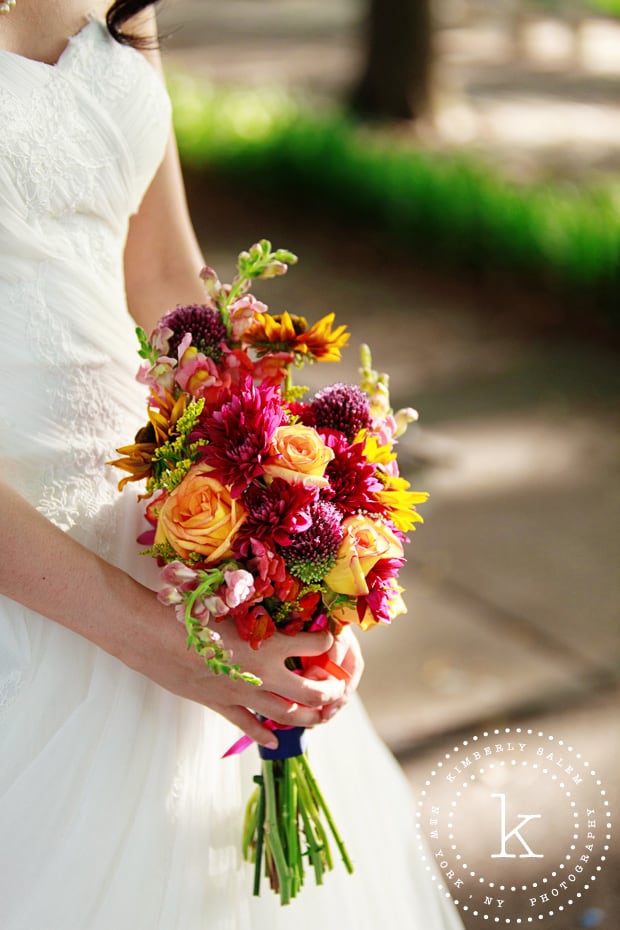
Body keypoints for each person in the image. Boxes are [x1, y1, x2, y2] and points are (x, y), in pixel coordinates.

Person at [0, 2, 464, 928]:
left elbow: (167, 277)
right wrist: (159, 644)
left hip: (154, 512)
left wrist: (298, 532)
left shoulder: (123, 5)